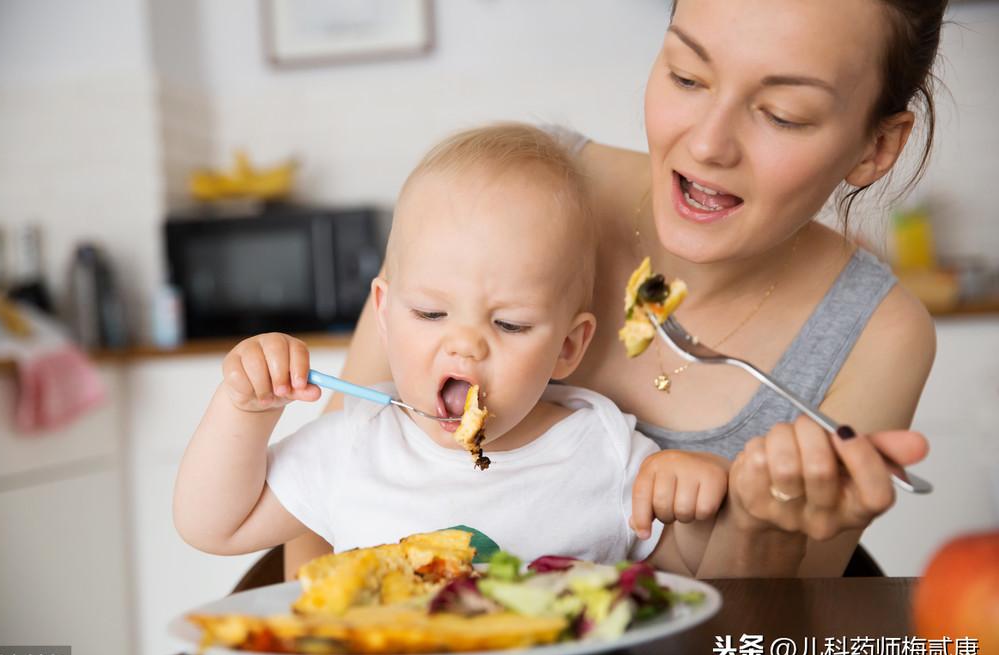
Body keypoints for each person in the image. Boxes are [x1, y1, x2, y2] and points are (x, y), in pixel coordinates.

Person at [285, 0, 946, 579]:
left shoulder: (877, 334)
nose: (708, 144)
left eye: (782, 114)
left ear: (875, 148)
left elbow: (766, 635)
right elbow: (320, 506)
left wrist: (759, 529)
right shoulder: (507, 191)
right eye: (686, 76)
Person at [173, 123, 729, 568]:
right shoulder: (356, 444)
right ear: (385, 315)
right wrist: (245, 409)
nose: (465, 346)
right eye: (431, 313)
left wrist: (692, 511)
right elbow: (213, 526)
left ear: (568, 346)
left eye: (509, 324)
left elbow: (684, 582)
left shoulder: (604, 450)